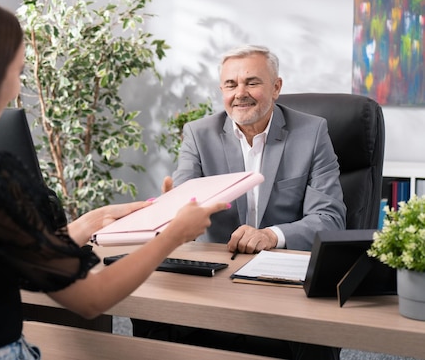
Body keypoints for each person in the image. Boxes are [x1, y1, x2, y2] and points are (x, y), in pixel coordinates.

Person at [0, 0, 230, 360]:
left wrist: (89, 222)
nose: (17, 88)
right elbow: (91, 299)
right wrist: (173, 235)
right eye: (17, 72)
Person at [133, 44, 346, 360]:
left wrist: (271, 235)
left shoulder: (312, 132)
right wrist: (173, 210)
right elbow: (183, 208)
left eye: (252, 82)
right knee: (149, 316)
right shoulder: (198, 133)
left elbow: (330, 218)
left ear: (276, 87)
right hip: (217, 276)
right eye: (231, 85)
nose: (240, 93)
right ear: (222, 90)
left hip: (283, 278)